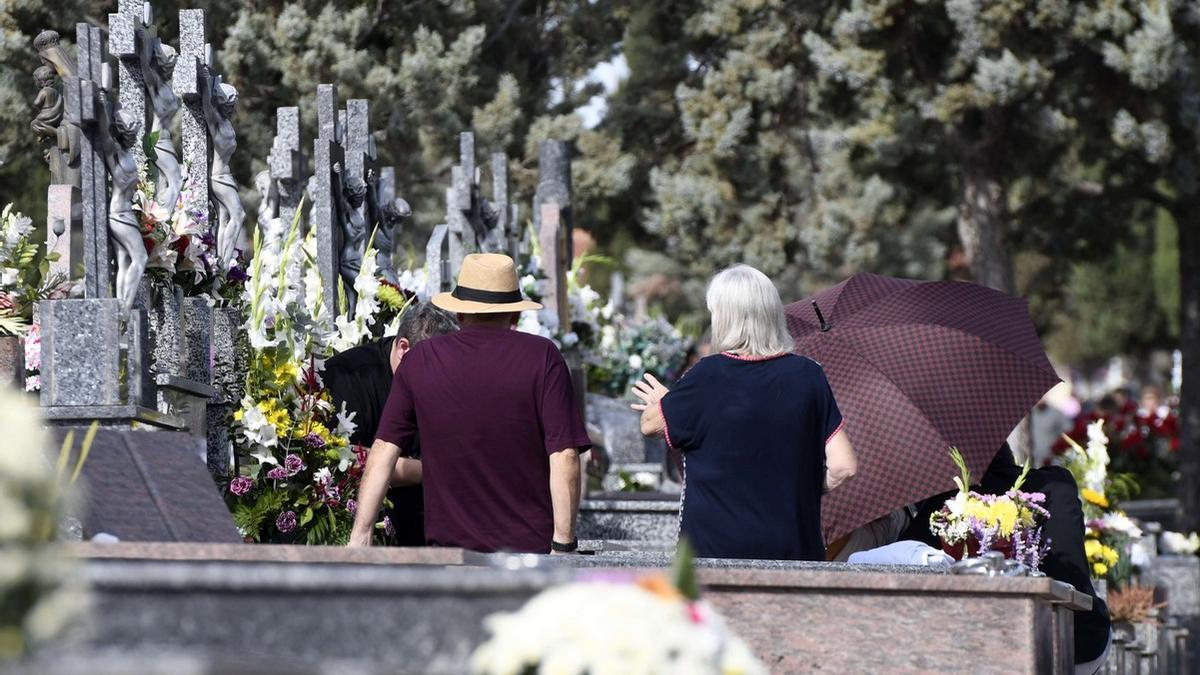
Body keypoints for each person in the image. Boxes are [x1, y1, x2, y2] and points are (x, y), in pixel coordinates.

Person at [348, 253, 591, 554]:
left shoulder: (422, 360)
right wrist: (563, 543)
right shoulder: (543, 357)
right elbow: (565, 455)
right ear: (514, 315)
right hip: (529, 551)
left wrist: (361, 534)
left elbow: (384, 449)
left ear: (460, 314)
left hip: (449, 552)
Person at [631, 264, 857, 560]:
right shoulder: (809, 374)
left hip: (715, 555)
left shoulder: (706, 377)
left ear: (724, 318)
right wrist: (794, 487)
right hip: (794, 551)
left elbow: (649, 425)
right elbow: (844, 466)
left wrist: (667, 401)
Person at [900, 444, 1112, 673]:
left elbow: (906, 554)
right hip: (1080, 638)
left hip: (984, 642)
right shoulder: (1057, 485)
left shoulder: (947, 504)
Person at [322, 304, 458, 545]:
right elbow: (342, 459)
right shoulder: (351, 376)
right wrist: (429, 471)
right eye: (433, 366)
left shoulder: (445, 375)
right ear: (403, 348)